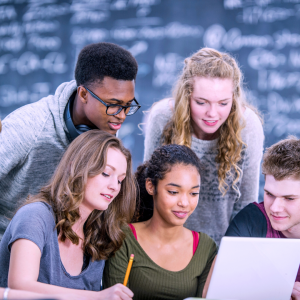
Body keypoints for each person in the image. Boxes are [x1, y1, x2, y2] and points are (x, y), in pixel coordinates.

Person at [0, 42, 140, 239]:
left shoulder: (105, 127)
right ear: (83, 94)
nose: (122, 116)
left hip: (57, 245)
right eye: (113, 105)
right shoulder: (31, 127)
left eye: (127, 106)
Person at [143, 47, 264, 244]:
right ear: (187, 96)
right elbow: (148, 192)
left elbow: (245, 207)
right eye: (202, 102)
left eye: (223, 103)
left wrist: (229, 254)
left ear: (233, 98)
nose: (212, 114)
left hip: (223, 247)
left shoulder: (248, 127)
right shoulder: (163, 118)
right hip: (165, 244)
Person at [0, 130, 136, 300]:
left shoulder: (97, 234)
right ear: (75, 166)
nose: (114, 187)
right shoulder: (35, 216)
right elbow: (20, 285)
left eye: (120, 180)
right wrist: (98, 297)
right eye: (106, 173)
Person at [103, 144, 217, 300]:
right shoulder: (124, 238)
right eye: (173, 192)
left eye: (193, 193)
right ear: (151, 186)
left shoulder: (206, 248)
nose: (184, 202)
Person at [224, 136, 300, 300]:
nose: (274, 208)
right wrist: (277, 289)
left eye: (289, 198)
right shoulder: (250, 221)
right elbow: (221, 289)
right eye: (269, 194)